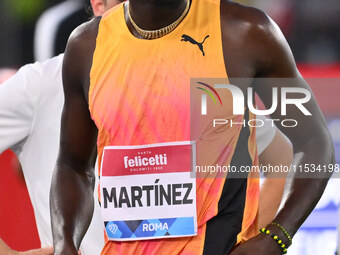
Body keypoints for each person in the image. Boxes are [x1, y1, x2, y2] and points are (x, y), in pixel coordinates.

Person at [51, 0, 334, 254]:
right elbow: (72, 165)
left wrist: (277, 236)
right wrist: (65, 243)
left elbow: (314, 143)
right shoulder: (87, 46)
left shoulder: (244, 33)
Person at [0, 1, 124, 254]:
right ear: (99, 4)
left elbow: (227, 193)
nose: (150, 12)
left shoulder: (210, 80)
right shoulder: (40, 85)